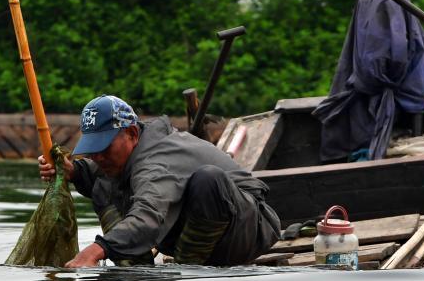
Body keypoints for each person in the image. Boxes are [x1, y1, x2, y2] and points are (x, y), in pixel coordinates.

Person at [38, 95, 281, 268]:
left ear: (132, 134)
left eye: (104, 148)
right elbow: (97, 170)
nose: (98, 156)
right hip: (200, 229)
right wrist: (73, 171)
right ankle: (133, 269)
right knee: (103, 180)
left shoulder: (156, 161)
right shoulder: (122, 158)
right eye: (92, 150)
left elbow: (148, 216)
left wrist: (95, 250)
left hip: (248, 228)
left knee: (209, 180)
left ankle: (188, 269)